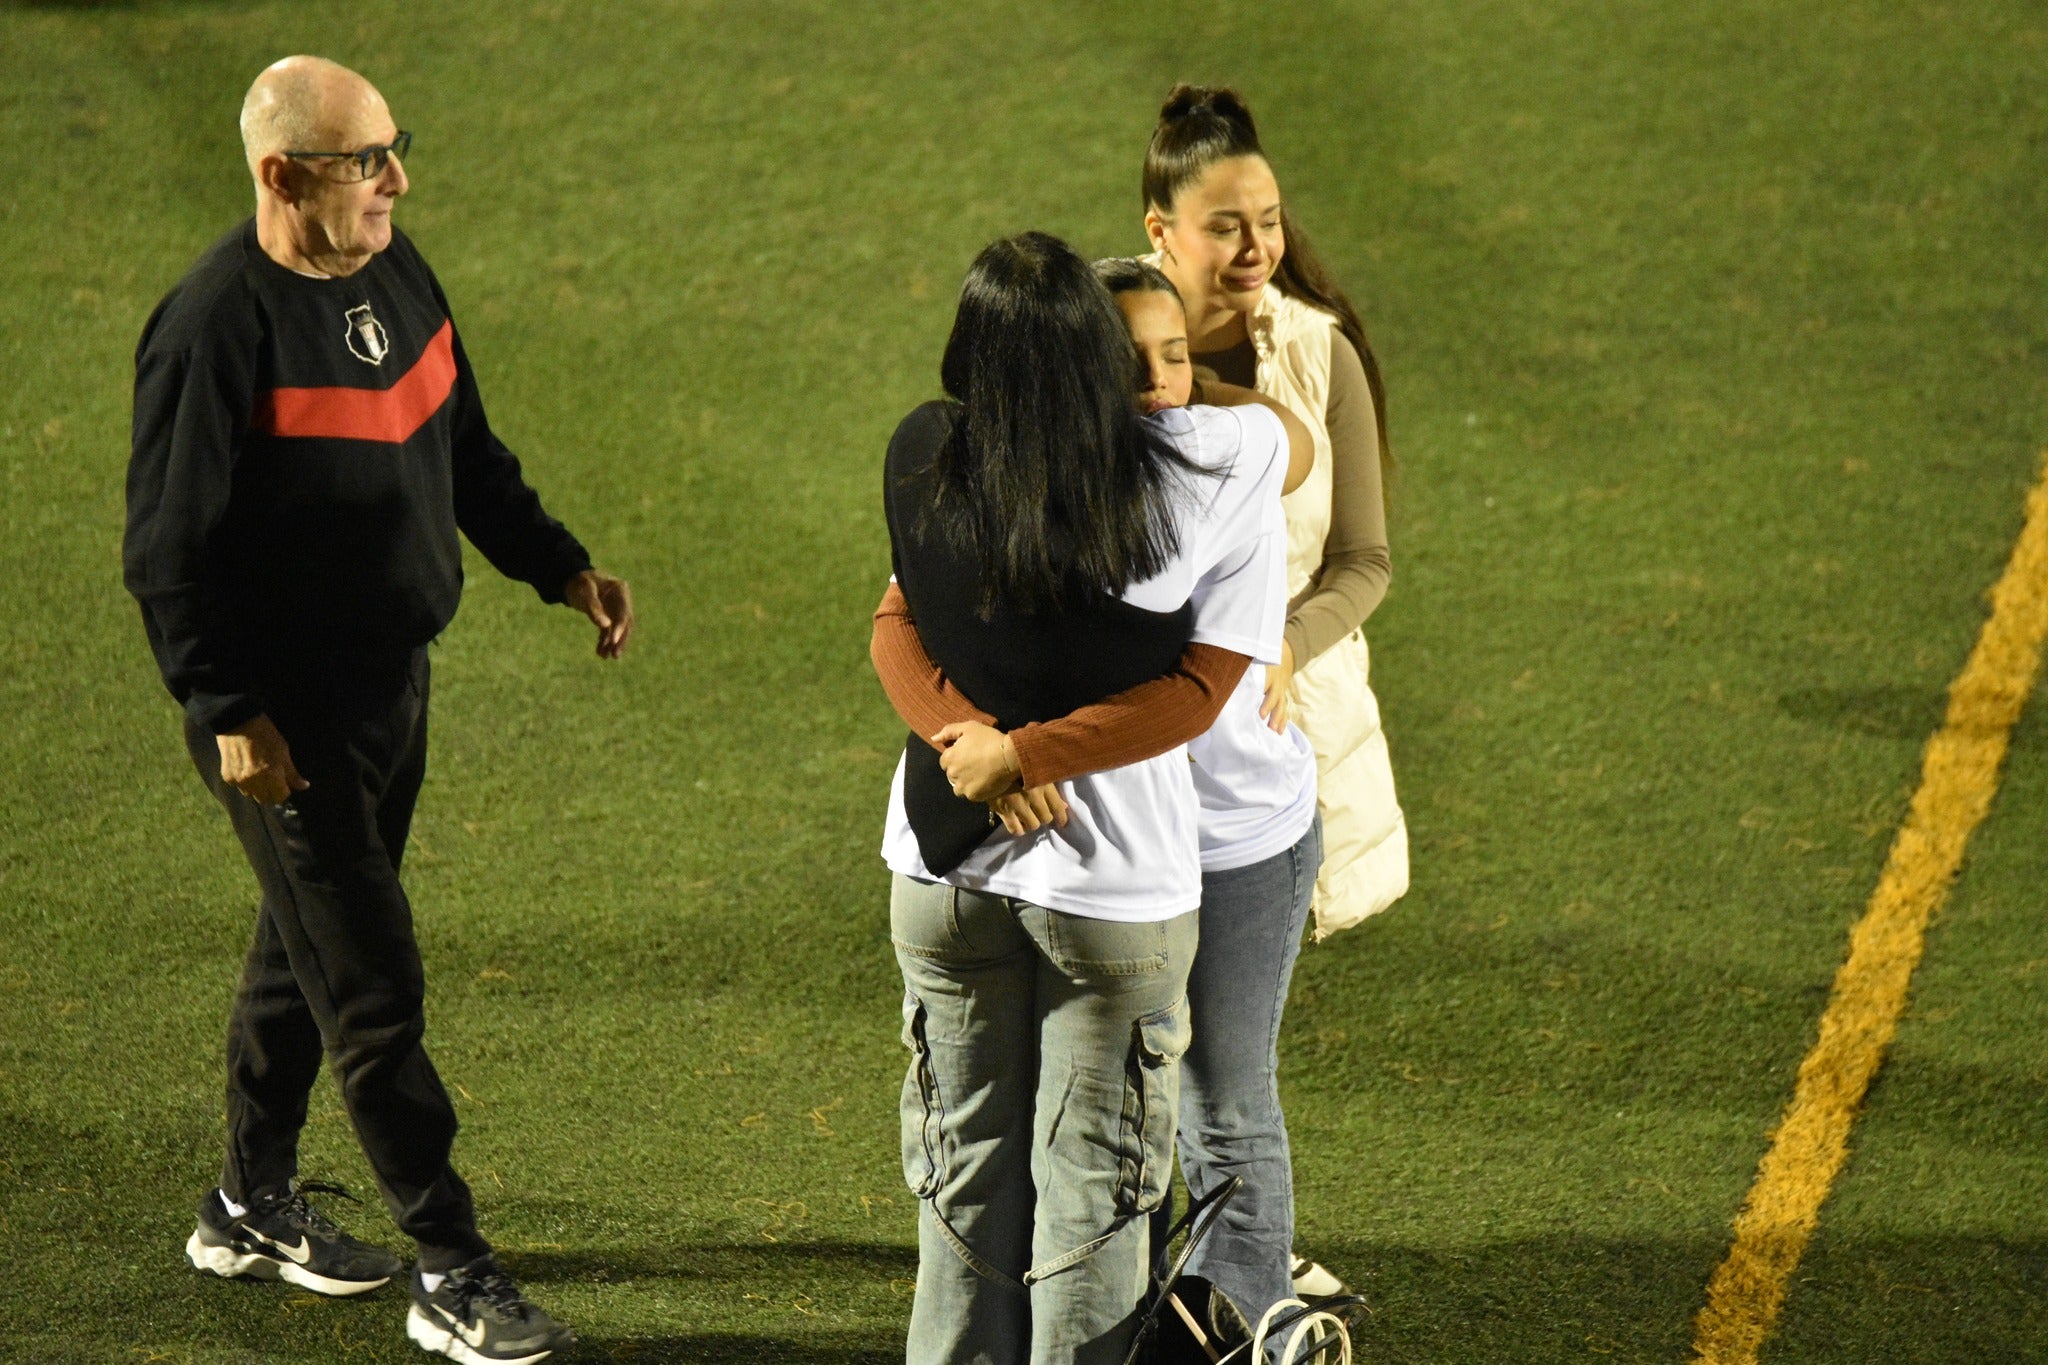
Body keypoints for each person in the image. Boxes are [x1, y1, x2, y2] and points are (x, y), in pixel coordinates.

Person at [123, 55, 631, 1365]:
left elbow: (461, 447)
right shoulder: (212, 327)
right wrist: (230, 708)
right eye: (367, 162)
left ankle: (245, 1204)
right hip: (286, 720)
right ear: (283, 175)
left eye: (398, 149)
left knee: (308, 945)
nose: (396, 179)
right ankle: (454, 1272)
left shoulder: (394, 275)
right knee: (374, 986)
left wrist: (557, 563)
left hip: (390, 687)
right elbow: (166, 549)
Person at [875, 231, 1310, 1363]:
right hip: (1112, 888)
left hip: (941, 859)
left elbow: (893, 627)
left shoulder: (922, 454)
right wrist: (1031, 758)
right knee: (1093, 1213)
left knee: (960, 1195)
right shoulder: (1204, 468)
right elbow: (1199, 692)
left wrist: (972, 746)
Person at [1142, 83, 1405, 1299]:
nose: (1256, 249)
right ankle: (1194, 1268)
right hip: (1134, 755)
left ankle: (1232, 1280)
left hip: (1264, 746)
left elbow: (1364, 560)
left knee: (1219, 1059)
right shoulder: (1115, 347)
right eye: (1224, 226)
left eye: (1270, 221)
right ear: (1159, 230)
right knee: (1136, 1044)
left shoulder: (1317, 354)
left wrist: (1279, 643)